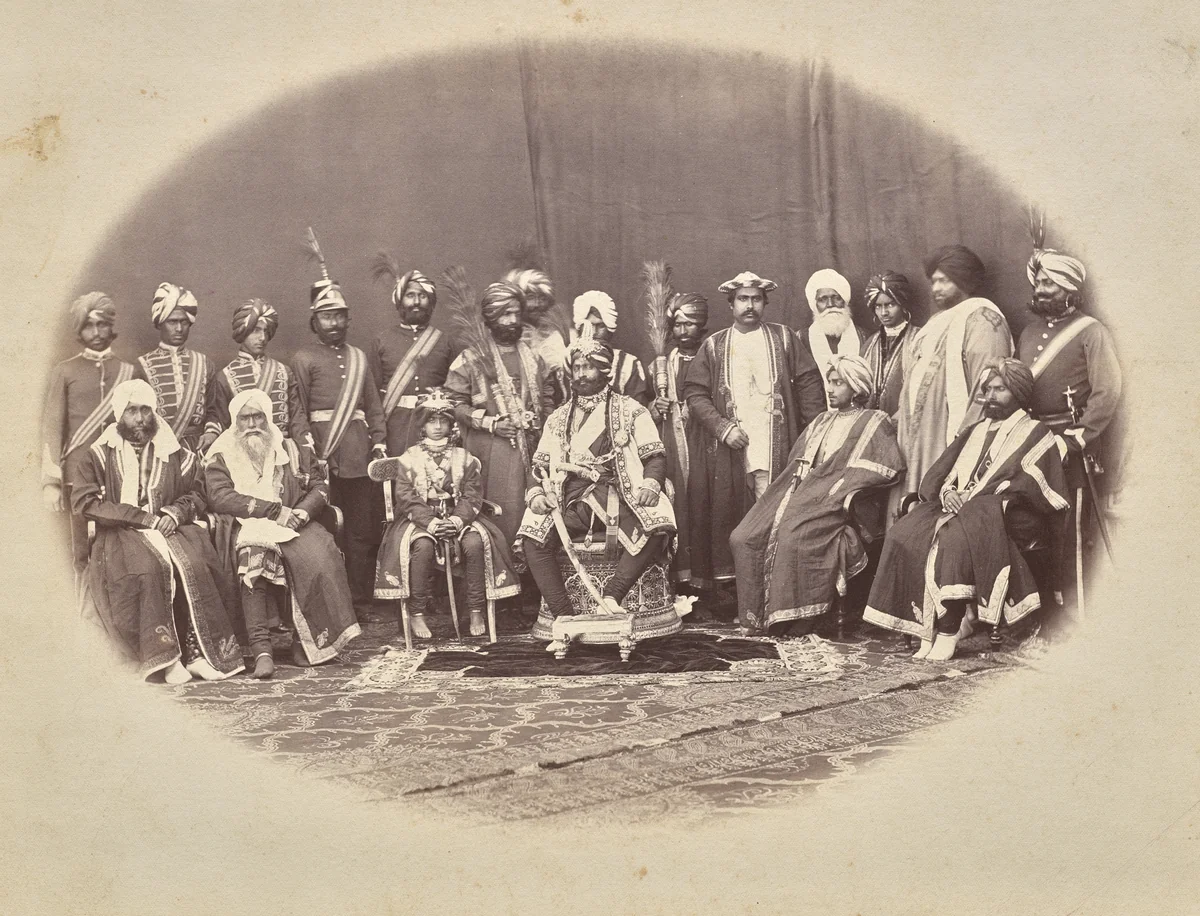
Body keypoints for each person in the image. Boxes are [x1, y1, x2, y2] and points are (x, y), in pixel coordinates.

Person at [863, 359, 1069, 660]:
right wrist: (948, 494)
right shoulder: (975, 429)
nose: (992, 396)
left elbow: (1033, 484)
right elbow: (944, 474)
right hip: (961, 508)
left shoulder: (1036, 432)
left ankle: (949, 630)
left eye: (1001, 389)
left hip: (1006, 512)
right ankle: (924, 628)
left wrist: (981, 498)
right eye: (988, 389)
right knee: (903, 533)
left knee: (953, 537)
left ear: (1019, 393)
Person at [68, 379, 243, 684]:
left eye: (146, 410)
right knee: (149, 569)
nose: (140, 418)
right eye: (132, 411)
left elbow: (199, 493)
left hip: (169, 527)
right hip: (120, 533)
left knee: (196, 566)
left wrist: (175, 512)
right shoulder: (97, 454)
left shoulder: (174, 450)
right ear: (119, 415)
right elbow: (84, 502)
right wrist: (138, 517)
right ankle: (167, 659)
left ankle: (197, 654)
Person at [518, 332, 680, 637]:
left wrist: (650, 484)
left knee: (658, 524)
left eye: (589, 367)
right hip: (568, 498)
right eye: (577, 367)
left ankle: (612, 595)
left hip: (618, 494)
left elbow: (655, 456)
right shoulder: (558, 417)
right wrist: (538, 494)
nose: (582, 374)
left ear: (605, 371)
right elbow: (539, 467)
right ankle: (564, 617)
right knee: (531, 536)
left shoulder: (631, 410)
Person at [730, 355, 904, 634]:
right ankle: (762, 613)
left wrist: (827, 489)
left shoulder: (874, 420)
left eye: (838, 383)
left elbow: (883, 467)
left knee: (791, 536)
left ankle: (797, 617)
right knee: (744, 536)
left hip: (836, 502)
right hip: (801, 495)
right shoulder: (822, 420)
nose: (831, 389)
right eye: (830, 382)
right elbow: (796, 463)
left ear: (857, 388)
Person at [684, 271, 825, 594]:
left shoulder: (785, 338)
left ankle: (776, 594)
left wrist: (813, 441)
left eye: (756, 299)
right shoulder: (714, 346)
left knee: (776, 515)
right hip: (730, 448)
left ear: (765, 303)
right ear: (731, 304)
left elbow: (809, 386)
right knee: (732, 517)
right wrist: (722, 427)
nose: (750, 306)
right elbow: (695, 393)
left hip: (778, 445)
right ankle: (739, 596)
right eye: (743, 299)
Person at [204, 389, 361, 679]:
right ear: (234, 421)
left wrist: (302, 512)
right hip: (244, 523)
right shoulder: (220, 453)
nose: (252, 424)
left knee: (320, 556)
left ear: (268, 418)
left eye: (258, 417)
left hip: (294, 521)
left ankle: (308, 641)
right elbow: (220, 497)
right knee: (253, 557)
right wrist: (273, 511)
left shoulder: (291, 449)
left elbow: (319, 486)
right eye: (245, 418)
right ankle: (262, 650)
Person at [1017, 249, 1122, 613]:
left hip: (1072, 447)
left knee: (1071, 535)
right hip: (1031, 445)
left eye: (1049, 283)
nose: (1041, 290)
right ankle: (1042, 613)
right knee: (1033, 531)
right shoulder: (1029, 332)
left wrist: (1078, 437)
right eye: (1038, 283)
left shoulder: (1091, 332)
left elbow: (1107, 392)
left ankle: (1076, 617)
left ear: (1069, 288)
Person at [290, 235, 388, 612]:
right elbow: (297, 409)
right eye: (327, 317)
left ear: (348, 319)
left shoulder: (359, 358)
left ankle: (361, 597)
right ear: (314, 322)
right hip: (323, 455)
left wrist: (378, 442)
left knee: (363, 530)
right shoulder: (303, 358)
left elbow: (374, 407)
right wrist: (307, 447)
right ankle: (335, 601)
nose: (335, 323)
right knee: (330, 528)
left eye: (340, 316)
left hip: (360, 456)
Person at [374, 389, 520, 638]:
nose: (438, 426)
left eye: (443, 421)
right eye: (432, 421)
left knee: (475, 543)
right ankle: (417, 613)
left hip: (458, 517)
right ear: (422, 426)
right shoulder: (410, 458)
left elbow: (472, 495)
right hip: (419, 520)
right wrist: (430, 523)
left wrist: (456, 520)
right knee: (422, 546)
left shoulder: (464, 458)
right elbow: (406, 497)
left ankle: (475, 609)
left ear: (452, 425)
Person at [890, 245, 1013, 520]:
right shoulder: (935, 323)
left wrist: (963, 446)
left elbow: (989, 391)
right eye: (933, 281)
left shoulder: (984, 320)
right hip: (916, 438)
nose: (935, 288)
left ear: (964, 280)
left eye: (944, 280)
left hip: (949, 438)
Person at [445, 281, 554, 550]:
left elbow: (549, 397)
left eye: (517, 313)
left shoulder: (534, 357)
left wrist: (543, 424)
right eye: (506, 314)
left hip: (533, 451)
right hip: (488, 453)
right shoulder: (469, 360)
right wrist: (491, 423)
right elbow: (454, 404)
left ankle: (531, 581)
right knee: (497, 516)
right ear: (491, 318)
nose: (513, 320)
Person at [42, 292, 136, 574]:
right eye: (88, 326)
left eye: (102, 325)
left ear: (111, 327)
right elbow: (52, 426)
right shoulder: (65, 371)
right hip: (78, 476)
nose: (96, 332)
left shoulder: (129, 371)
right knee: (81, 555)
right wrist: (51, 482)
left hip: (120, 473)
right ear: (80, 330)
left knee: (123, 551)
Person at [202, 298, 315, 455]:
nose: (262, 337)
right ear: (243, 332)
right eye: (255, 330)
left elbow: (297, 418)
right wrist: (211, 432)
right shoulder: (225, 376)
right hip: (243, 455)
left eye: (265, 331)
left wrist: (305, 451)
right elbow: (220, 419)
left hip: (283, 452)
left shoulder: (284, 372)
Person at [648, 291, 708, 585]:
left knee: (704, 507)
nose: (683, 332)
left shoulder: (713, 353)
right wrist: (655, 408)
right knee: (678, 505)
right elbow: (643, 410)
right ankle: (678, 582)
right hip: (672, 441)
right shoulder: (663, 363)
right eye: (678, 325)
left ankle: (706, 583)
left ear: (702, 325)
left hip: (705, 442)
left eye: (690, 324)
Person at [368, 264, 456, 456]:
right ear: (399, 302)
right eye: (410, 296)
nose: (416, 302)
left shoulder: (445, 341)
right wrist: (379, 440)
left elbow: (456, 393)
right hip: (395, 430)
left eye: (422, 296)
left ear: (431, 303)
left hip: (436, 429)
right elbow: (373, 397)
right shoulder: (382, 341)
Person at [135, 282, 219, 453]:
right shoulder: (142, 366)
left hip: (198, 449)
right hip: (159, 449)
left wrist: (211, 433)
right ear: (160, 323)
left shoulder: (204, 363)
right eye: (172, 322)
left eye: (184, 322)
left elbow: (214, 410)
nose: (179, 328)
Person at [571, 290, 651, 405]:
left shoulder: (628, 364)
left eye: (600, 326)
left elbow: (638, 410)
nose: (593, 332)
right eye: (588, 326)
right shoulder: (569, 362)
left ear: (609, 328)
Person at [860, 271, 920, 416]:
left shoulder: (919, 339)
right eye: (878, 306)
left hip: (908, 421)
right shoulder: (869, 345)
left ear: (902, 305)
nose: (883, 312)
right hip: (873, 424)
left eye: (890, 305)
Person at [508, 267, 570, 407]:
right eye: (530, 298)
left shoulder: (560, 335)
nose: (537, 304)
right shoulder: (507, 338)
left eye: (542, 298)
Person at [803, 268, 865, 403]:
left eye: (836, 298)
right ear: (815, 304)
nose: (830, 305)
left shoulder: (864, 336)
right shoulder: (802, 339)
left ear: (844, 301)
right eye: (822, 300)